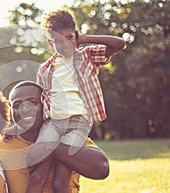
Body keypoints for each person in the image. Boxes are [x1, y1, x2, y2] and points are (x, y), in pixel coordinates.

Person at [24, 7, 126, 193]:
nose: (64, 44)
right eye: (58, 40)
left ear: (76, 35)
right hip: (52, 123)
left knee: (61, 181)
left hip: (78, 123)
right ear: (50, 42)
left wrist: (85, 39)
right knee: (37, 174)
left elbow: (119, 44)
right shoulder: (45, 69)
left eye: (69, 37)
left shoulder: (86, 56)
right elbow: (41, 100)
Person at [0, 81, 110, 193]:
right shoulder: (0, 148)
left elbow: (102, 168)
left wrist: (50, 147)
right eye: (16, 105)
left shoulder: (67, 137)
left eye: (33, 102)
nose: (24, 109)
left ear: (46, 106)